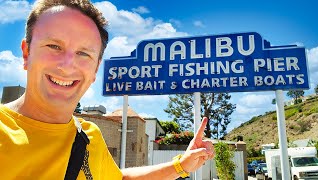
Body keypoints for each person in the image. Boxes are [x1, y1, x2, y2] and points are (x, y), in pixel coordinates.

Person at [0, 0, 214, 179]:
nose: (67, 65)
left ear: (95, 70)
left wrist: (182, 166)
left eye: (84, 53)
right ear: (26, 53)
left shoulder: (88, 136)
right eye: (54, 46)